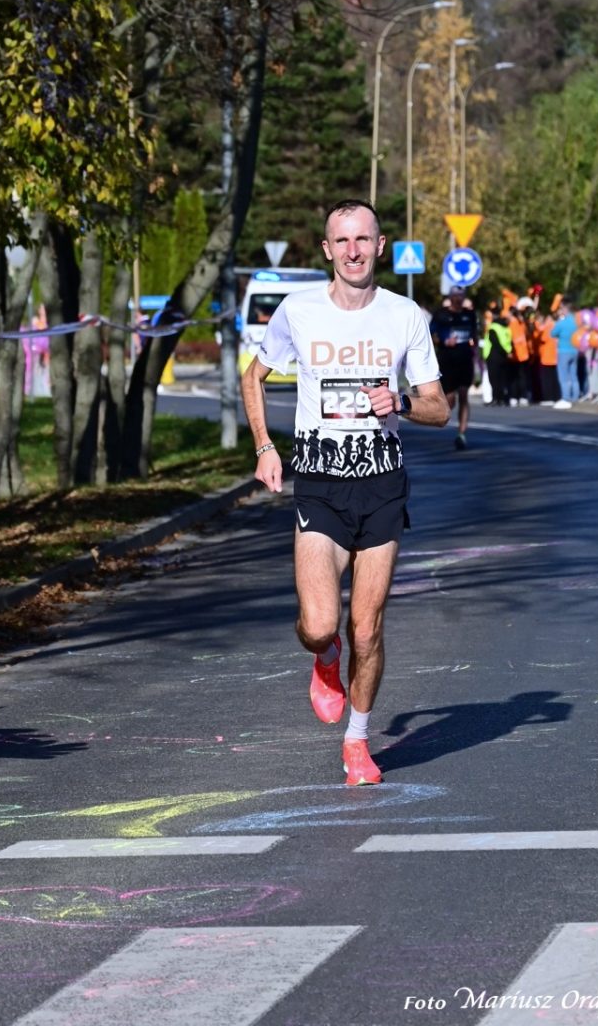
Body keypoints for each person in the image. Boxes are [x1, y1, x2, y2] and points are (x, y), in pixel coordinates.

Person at [240, 198, 449, 786]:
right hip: (321, 485)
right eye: (342, 241)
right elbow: (253, 376)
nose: (353, 251)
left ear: (380, 246)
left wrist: (400, 401)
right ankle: (325, 658)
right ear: (327, 249)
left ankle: (357, 741)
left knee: (367, 628)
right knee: (319, 625)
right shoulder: (299, 311)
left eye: (363, 239)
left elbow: (438, 407)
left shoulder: (405, 315)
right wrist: (264, 447)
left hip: (382, 486)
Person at [430, 285, 478, 450]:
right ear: (450, 297)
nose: (458, 298)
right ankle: (441, 412)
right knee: (450, 400)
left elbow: (474, 334)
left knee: (464, 395)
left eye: (461, 295)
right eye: (456, 295)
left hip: (465, 360)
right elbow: (431, 335)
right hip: (447, 360)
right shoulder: (441, 315)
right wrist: (444, 341)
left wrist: (474, 345)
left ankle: (461, 434)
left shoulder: (469, 314)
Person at [550, 299, 579, 406]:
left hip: (563, 351)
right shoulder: (576, 322)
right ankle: (575, 396)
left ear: (565, 309)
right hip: (575, 350)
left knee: (563, 376)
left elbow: (552, 333)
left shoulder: (561, 323)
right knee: (573, 375)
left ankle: (566, 397)